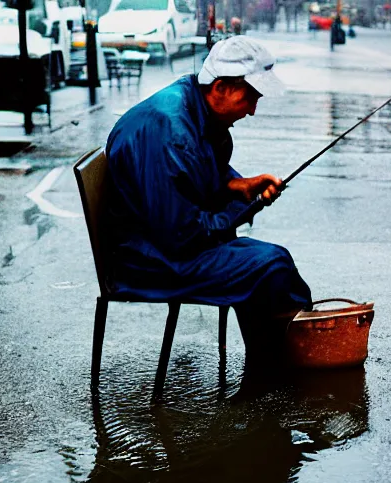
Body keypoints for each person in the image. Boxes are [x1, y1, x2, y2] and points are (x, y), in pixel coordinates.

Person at [105, 36, 312, 371]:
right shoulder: (170, 131)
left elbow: (196, 174)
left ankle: (278, 365)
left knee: (272, 262)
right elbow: (182, 238)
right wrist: (243, 207)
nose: (253, 109)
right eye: (251, 97)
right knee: (271, 267)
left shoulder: (191, 101)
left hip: (160, 243)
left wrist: (236, 185)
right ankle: (287, 370)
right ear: (220, 88)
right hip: (148, 262)